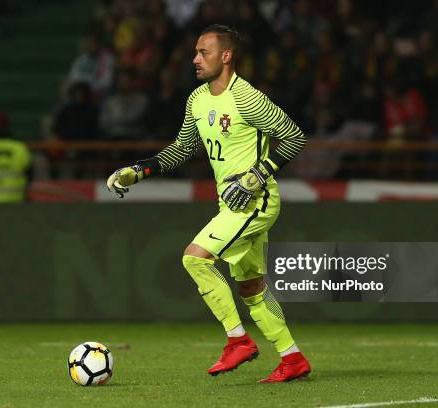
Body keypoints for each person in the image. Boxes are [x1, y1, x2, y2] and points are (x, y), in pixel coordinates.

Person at [106, 24, 310, 382]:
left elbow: (294, 136)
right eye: (196, 52)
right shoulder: (198, 100)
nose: (195, 59)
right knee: (251, 289)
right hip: (231, 206)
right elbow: (184, 148)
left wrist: (257, 174)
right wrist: (140, 170)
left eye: (204, 52)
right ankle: (292, 359)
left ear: (226, 56)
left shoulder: (247, 98)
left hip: (256, 202)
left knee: (194, 258)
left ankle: (238, 341)